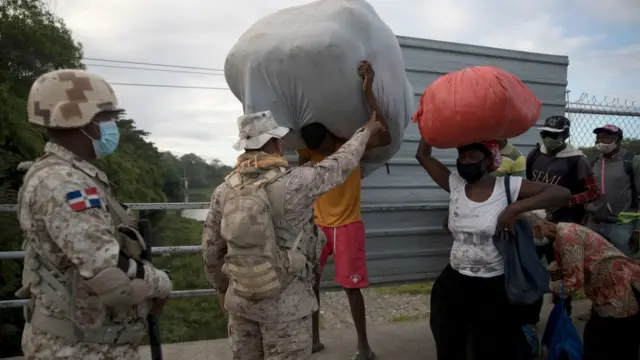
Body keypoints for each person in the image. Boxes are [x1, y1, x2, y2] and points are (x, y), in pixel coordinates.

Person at [201, 109, 385, 360]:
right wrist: (365, 131)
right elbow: (340, 163)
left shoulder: (224, 190)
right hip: (286, 308)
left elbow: (212, 250)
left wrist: (222, 289)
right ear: (277, 143)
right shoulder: (296, 183)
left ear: (244, 148)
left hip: (240, 302)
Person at [15, 69, 172, 360]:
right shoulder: (63, 183)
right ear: (80, 120)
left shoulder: (70, 175)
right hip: (76, 348)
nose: (112, 125)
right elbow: (104, 265)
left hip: (89, 343)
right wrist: (161, 283)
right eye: (106, 117)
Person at [416, 138, 570, 360]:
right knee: (448, 339)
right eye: (461, 157)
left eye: (472, 157)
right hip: (455, 279)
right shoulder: (455, 183)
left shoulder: (507, 186)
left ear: (489, 161)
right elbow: (423, 156)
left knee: (488, 346)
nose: (465, 162)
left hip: (493, 284)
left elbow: (562, 193)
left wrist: (515, 208)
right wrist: (427, 129)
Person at [298, 60, 390, 360]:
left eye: (325, 146)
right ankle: (313, 339)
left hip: (348, 225)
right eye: (318, 150)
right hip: (318, 225)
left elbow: (384, 133)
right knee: (310, 283)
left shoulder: (350, 145)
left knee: (352, 289)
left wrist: (368, 88)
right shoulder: (308, 152)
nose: (323, 153)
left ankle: (364, 346)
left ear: (330, 136)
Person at [532, 217, 640, 360]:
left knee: (613, 342)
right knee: (602, 338)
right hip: (610, 288)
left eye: (531, 235)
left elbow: (573, 282)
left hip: (618, 290)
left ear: (539, 228)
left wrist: (540, 287)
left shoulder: (567, 237)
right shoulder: (564, 231)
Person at [525, 115, 600, 319]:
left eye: (555, 135)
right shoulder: (535, 155)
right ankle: (529, 320)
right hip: (537, 222)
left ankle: (561, 318)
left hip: (562, 226)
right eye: (546, 134)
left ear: (566, 135)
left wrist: (566, 201)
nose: (549, 138)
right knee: (530, 270)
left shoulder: (577, 159)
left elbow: (593, 192)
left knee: (562, 274)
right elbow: (529, 184)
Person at [586, 124, 640, 257]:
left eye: (606, 138)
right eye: (598, 138)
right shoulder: (594, 162)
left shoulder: (632, 161)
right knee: (594, 264)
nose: (601, 141)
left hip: (622, 225)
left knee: (623, 267)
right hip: (594, 224)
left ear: (618, 140)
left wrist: (638, 229)